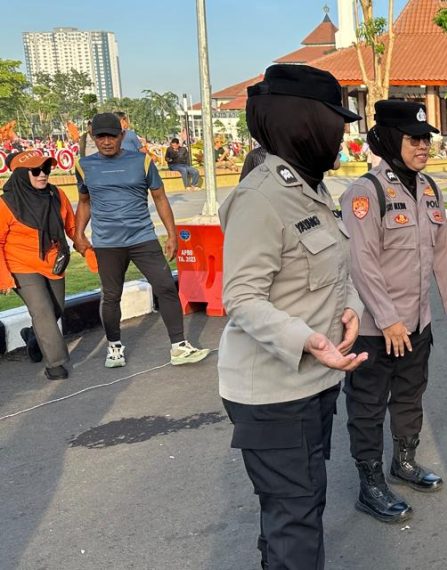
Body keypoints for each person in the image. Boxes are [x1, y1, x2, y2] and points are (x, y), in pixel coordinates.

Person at [218, 64, 368, 570]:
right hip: (273, 394)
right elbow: (240, 296)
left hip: (312, 385)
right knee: (295, 517)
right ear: (305, 123)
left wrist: (351, 306)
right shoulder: (261, 197)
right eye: (336, 126)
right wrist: (309, 340)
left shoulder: (312, 188)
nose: (342, 137)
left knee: (296, 509)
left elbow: (334, 267)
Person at [338, 100, 447, 523]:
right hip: (376, 328)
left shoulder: (429, 188)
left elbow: (441, 250)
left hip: (418, 322)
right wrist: (388, 319)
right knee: (369, 405)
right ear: (392, 140)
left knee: (410, 395)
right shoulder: (365, 193)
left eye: (427, 138)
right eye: (415, 139)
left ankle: (403, 462)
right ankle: (370, 482)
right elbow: (362, 263)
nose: (424, 146)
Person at [73, 113, 210, 368]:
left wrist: (172, 235)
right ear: (93, 137)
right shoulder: (84, 166)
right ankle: (114, 347)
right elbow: (84, 202)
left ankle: (179, 346)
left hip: (143, 238)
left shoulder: (142, 161)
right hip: (107, 243)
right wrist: (78, 234)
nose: (106, 142)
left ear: (122, 135)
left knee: (166, 287)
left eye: (111, 136)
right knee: (111, 295)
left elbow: (160, 198)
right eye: (100, 136)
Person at [0, 151, 76, 380]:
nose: (43, 175)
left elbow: (70, 226)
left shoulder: (57, 194)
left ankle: (33, 335)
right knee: (42, 310)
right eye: (36, 171)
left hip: (52, 261)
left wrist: (87, 248)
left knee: (55, 310)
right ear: (23, 174)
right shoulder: (5, 204)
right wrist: (3, 276)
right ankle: (56, 364)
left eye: (46, 169)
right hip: (20, 264)